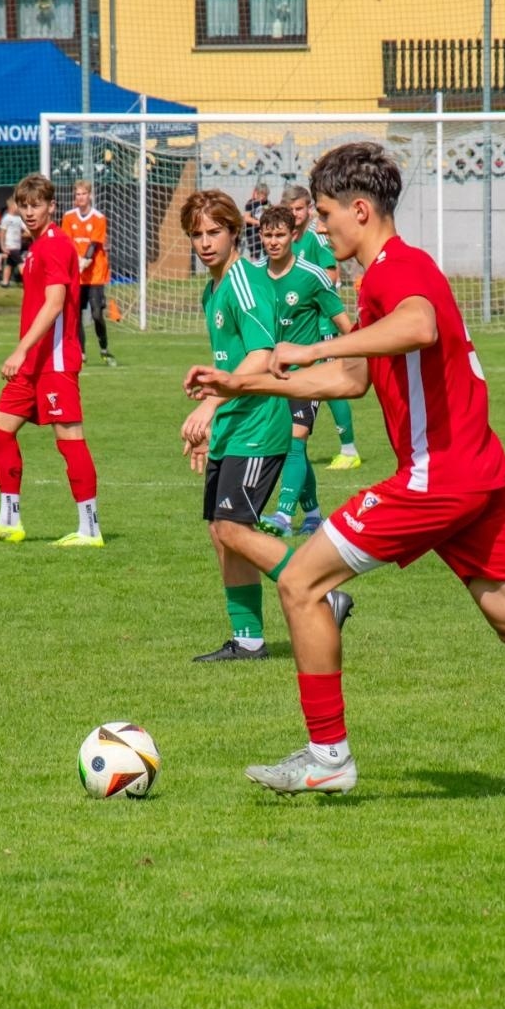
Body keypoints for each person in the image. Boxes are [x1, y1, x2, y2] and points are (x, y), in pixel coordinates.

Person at [183, 142, 505, 806]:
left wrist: (316, 340)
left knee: (304, 585)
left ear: (360, 209)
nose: (319, 228)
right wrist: (243, 381)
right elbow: (350, 379)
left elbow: (419, 325)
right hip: (477, 471)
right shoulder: (393, 273)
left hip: (441, 476)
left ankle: (328, 755)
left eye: (323, 214)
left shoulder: (396, 272)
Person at [176, 189, 354, 663]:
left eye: (214, 231)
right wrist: (215, 424)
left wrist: (208, 407)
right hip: (235, 422)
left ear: (236, 231)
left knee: (233, 529)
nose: (205, 242)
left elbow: (261, 355)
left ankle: (323, 593)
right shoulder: (213, 287)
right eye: (197, 234)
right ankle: (248, 638)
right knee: (221, 531)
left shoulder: (243, 283)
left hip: (261, 422)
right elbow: (230, 360)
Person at [0, 174, 103, 548]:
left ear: (50, 206)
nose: (30, 212)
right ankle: (9, 520)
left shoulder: (56, 245)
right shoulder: (36, 249)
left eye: (36, 205)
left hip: (55, 361)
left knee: (69, 439)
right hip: (33, 365)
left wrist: (21, 349)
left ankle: (89, 528)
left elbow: (56, 304)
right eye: (24, 206)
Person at [255, 203, 351, 539]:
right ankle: (312, 514)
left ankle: (282, 515)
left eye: (279, 234)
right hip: (271, 376)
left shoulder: (312, 277)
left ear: (293, 235)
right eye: (267, 235)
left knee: (294, 441)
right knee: (290, 446)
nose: (273, 241)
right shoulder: (255, 277)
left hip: (308, 378)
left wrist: (351, 358)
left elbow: (345, 325)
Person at [284, 184, 364, 471]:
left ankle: (349, 449)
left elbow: (331, 274)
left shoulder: (316, 241)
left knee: (330, 386)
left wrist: (305, 289)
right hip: (299, 328)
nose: (295, 214)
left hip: (322, 325)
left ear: (309, 209)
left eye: (299, 208)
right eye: (290, 209)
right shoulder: (287, 241)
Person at [62, 180, 117, 366]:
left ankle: (104, 348)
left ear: (90, 196)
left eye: (83, 194)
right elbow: (68, 242)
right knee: (75, 314)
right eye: (77, 194)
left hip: (95, 274)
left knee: (96, 314)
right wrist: (75, 263)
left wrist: (84, 261)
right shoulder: (68, 217)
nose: (80, 197)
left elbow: (94, 244)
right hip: (77, 274)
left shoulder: (98, 218)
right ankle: (81, 353)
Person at [0, 199, 27, 288]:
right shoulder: (6, 218)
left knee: (9, 264)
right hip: (10, 245)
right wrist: (2, 245)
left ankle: (5, 282)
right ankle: (28, 280)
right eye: (18, 206)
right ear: (12, 207)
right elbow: (2, 233)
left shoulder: (19, 218)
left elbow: (25, 228)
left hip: (17, 245)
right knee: (20, 263)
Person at [242, 182, 270, 262]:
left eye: (266, 195)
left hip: (265, 231)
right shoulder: (251, 203)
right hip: (253, 232)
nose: (264, 197)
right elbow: (246, 218)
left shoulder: (267, 203)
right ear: (257, 193)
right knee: (255, 252)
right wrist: (258, 222)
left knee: (267, 250)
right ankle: (254, 266)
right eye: (262, 195)